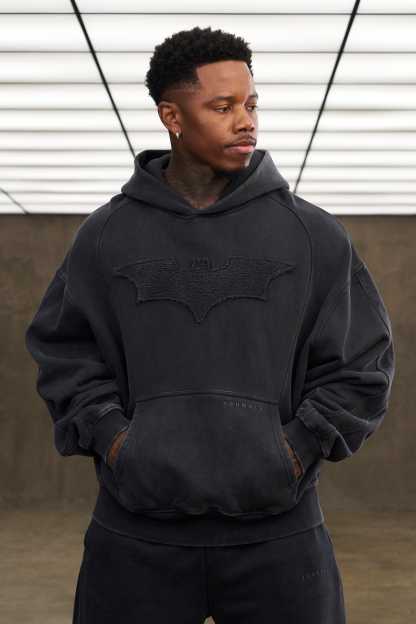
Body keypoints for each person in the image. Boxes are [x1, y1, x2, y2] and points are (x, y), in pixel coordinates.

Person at [25, 25, 395, 624]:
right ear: (171, 116)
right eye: (223, 107)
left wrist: (294, 450)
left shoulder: (313, 235)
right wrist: (117, 441)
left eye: (251, 104)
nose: (246, 122)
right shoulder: (105, 236)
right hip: (135, 537)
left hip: (280, 537)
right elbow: (65, 353)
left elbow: (363, 364)